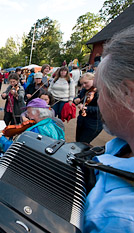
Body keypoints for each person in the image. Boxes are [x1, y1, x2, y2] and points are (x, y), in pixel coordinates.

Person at [84, 25, 134, 232]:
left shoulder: (118, 218)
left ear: (127, 93)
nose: (99, 100)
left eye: (101, 90)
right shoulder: (120, 147)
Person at [0, 98, 65, 153]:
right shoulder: (53, 124)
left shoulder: (34, 131)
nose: (27, 114)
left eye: (29, 112)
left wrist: (1, 138)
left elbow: (16, 151)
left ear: (37, 112)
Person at [73, 73, 102, 144]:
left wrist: (86, 108)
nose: (84, 85)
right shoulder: (84, 89)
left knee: (83, 143)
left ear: (93, 79)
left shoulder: (101, 91)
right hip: (82, 119)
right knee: (78, 140)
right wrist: (76, 99)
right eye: (82, 84)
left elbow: (101, 109)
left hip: (94, 122)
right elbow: (79, 97)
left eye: (86, 83)